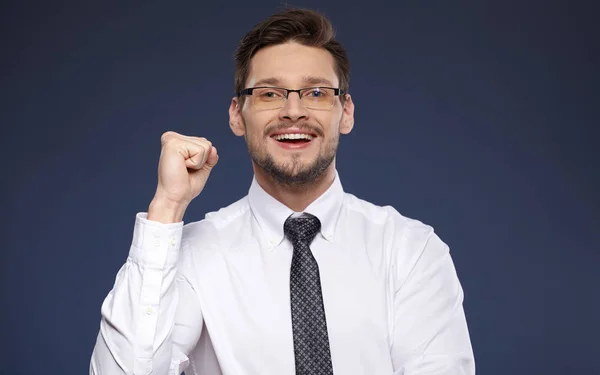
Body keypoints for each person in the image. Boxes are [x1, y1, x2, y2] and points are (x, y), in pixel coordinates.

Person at [89, 7, 475, 375]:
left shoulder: (411, 252)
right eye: (270, 94)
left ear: (347, 112)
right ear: (237, 115)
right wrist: (167, 207)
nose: (293, 111)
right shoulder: (191, 256)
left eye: (317, 92)